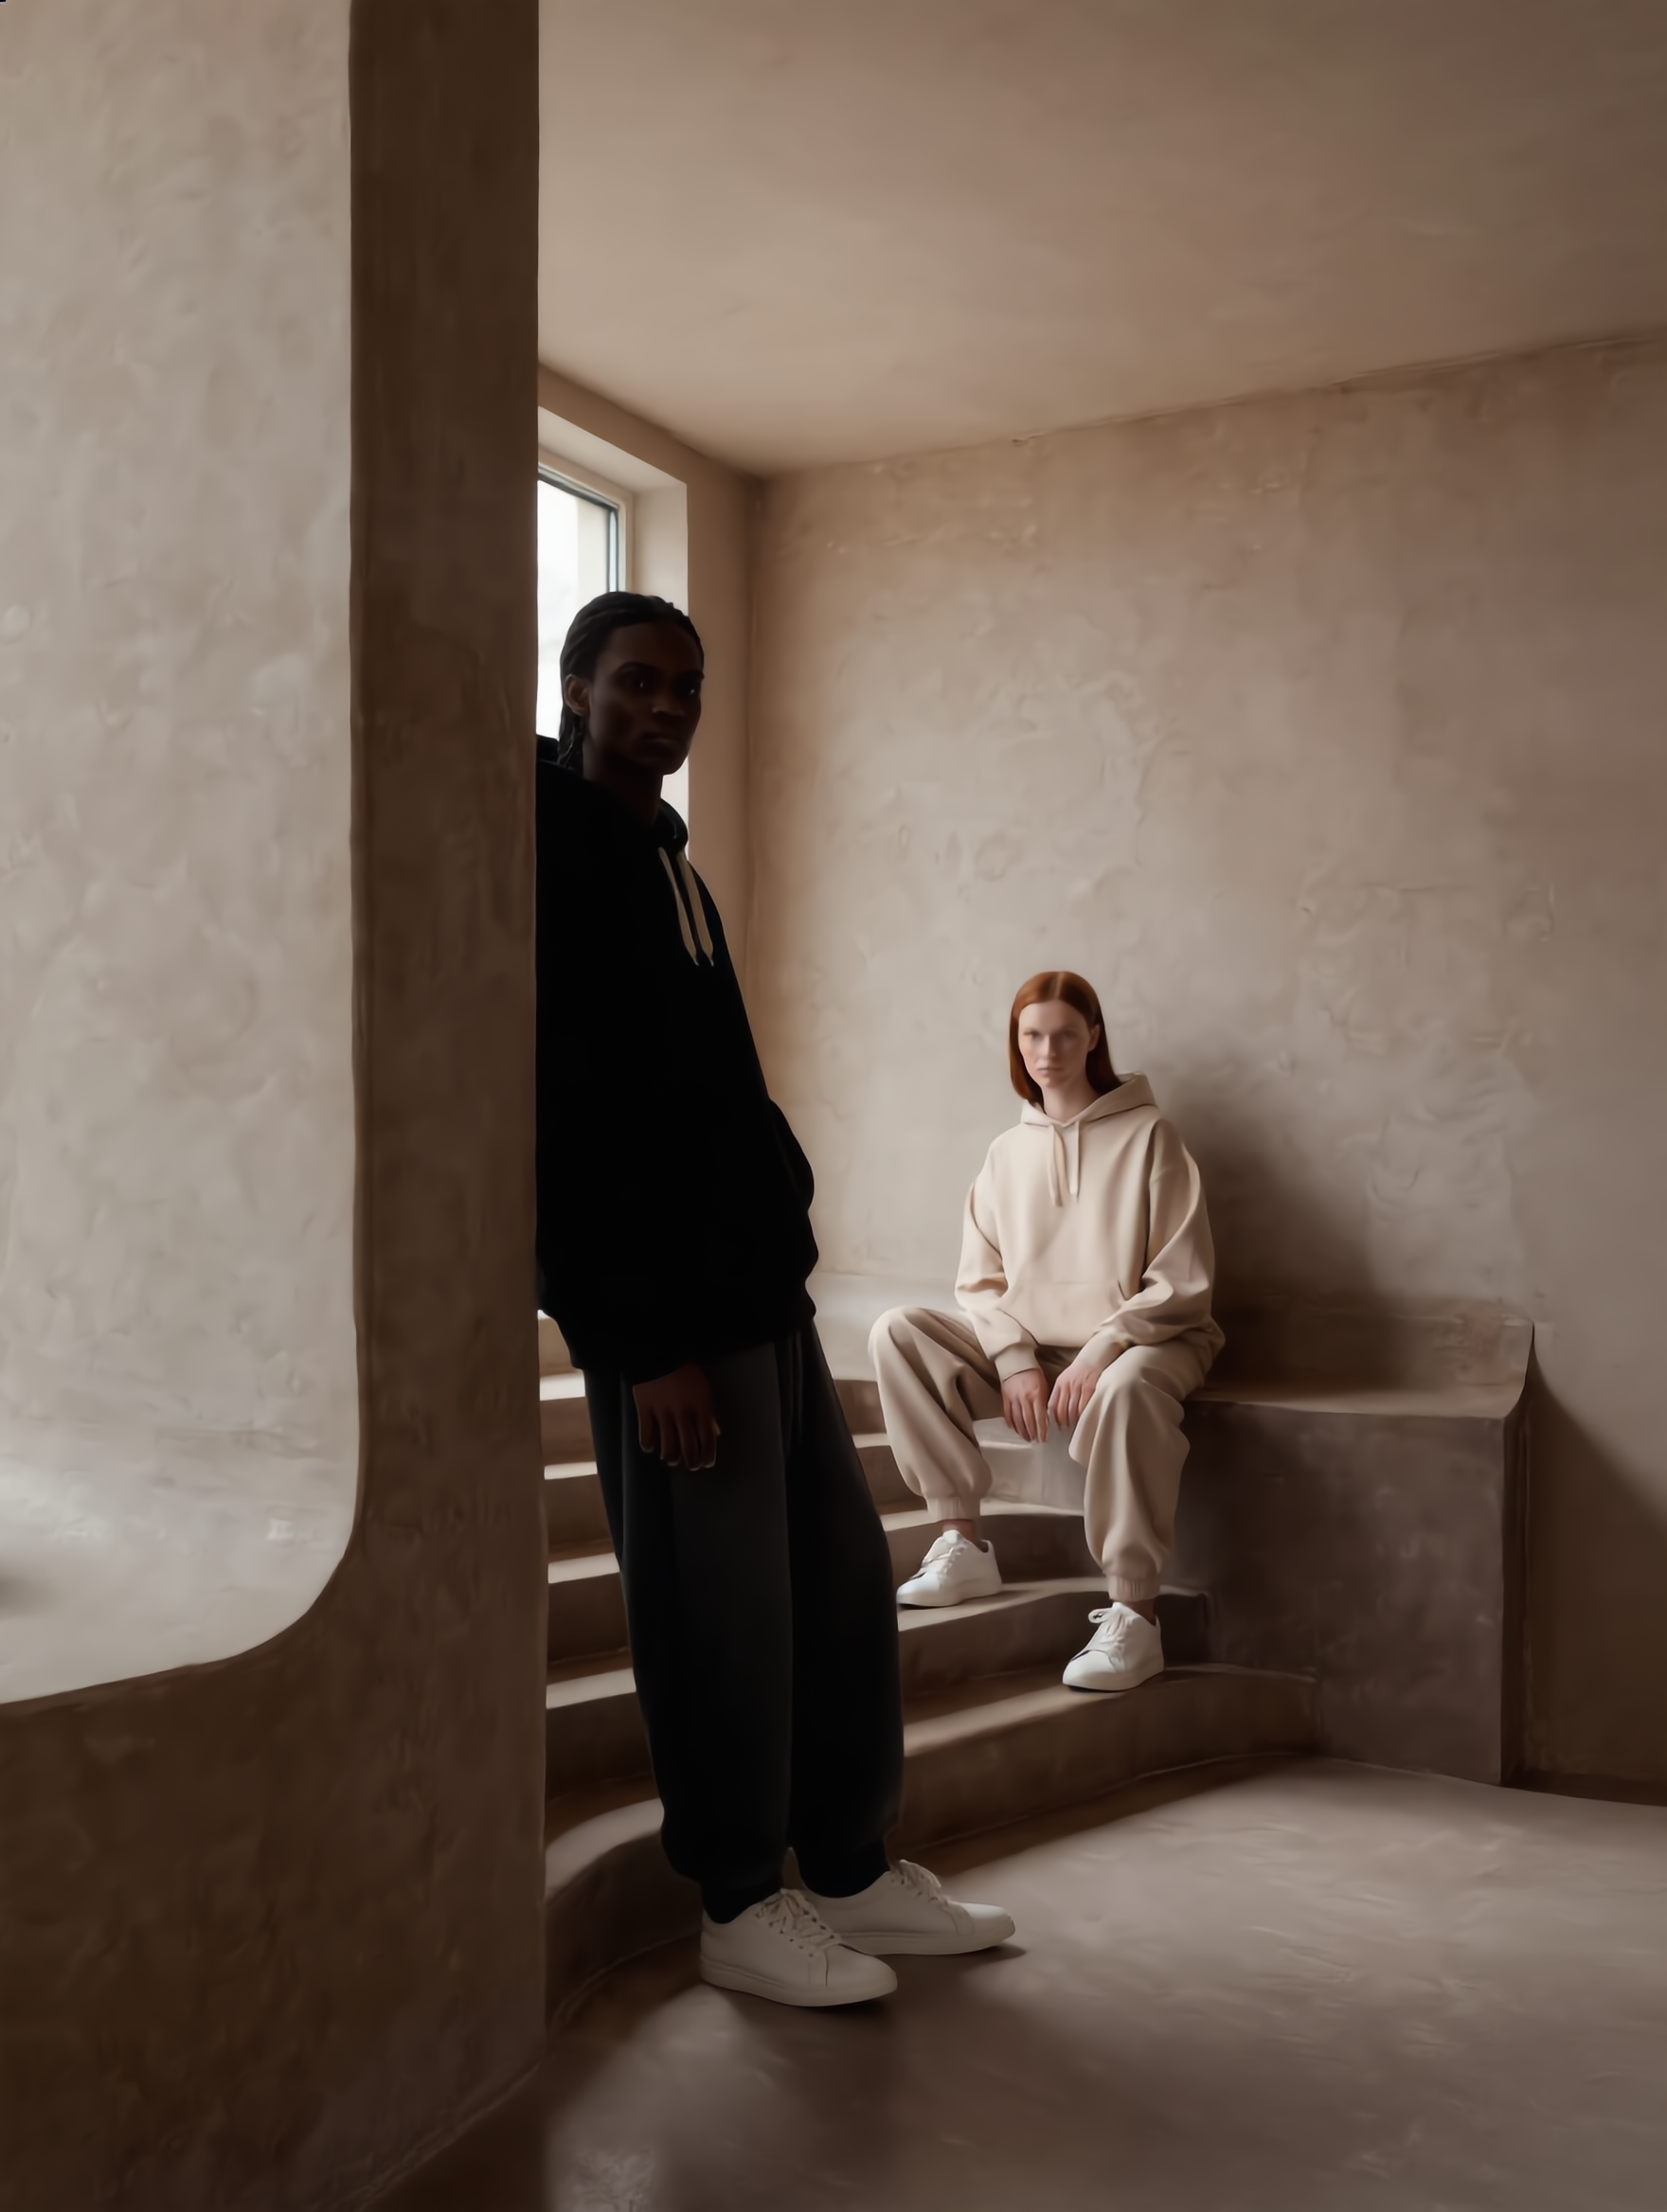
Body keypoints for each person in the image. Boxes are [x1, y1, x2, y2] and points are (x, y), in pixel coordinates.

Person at [535, 592, 1012, 2009]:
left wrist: (779, 1219)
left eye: (686, 686)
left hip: (760, 1297)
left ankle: (851, 1865)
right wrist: (642, 1343)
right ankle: (740, 1899)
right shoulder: (556, 860)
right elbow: (568, 1126)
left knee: (839, 1586)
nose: (666, 707)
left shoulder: (664, 860)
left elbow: (712, 1095)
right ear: (575, 688)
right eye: (637, 681)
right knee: (720, 1615)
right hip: (672, 1322)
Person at [870, 971, 1224, 1694]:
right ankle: (961, 1543)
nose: (1047, 1051)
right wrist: (1014, 1359)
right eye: (1032, 1035)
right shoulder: (1006, 1153)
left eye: (1065, 1035)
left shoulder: (1152, 1137)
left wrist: (1101, 1348)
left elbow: (1182, 1280)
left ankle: (1136, 1617)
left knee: (1125, 1389)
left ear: (1093, 1037)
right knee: (898, 1333)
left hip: (1148, 1341)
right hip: (1040, 1347)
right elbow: (979, 1282)